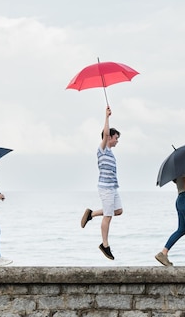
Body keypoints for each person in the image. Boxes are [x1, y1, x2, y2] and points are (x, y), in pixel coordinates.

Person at [80, 106, 122, 260]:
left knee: (118, 211)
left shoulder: (111, 153)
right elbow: (105, 133)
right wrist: (107, 116)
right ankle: (105, 245)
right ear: (109, 137)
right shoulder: (102, 149)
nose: (117, 140)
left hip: (113, 188)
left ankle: (91, 214)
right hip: (105, 188)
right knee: (108, 216)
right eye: (116, 137)